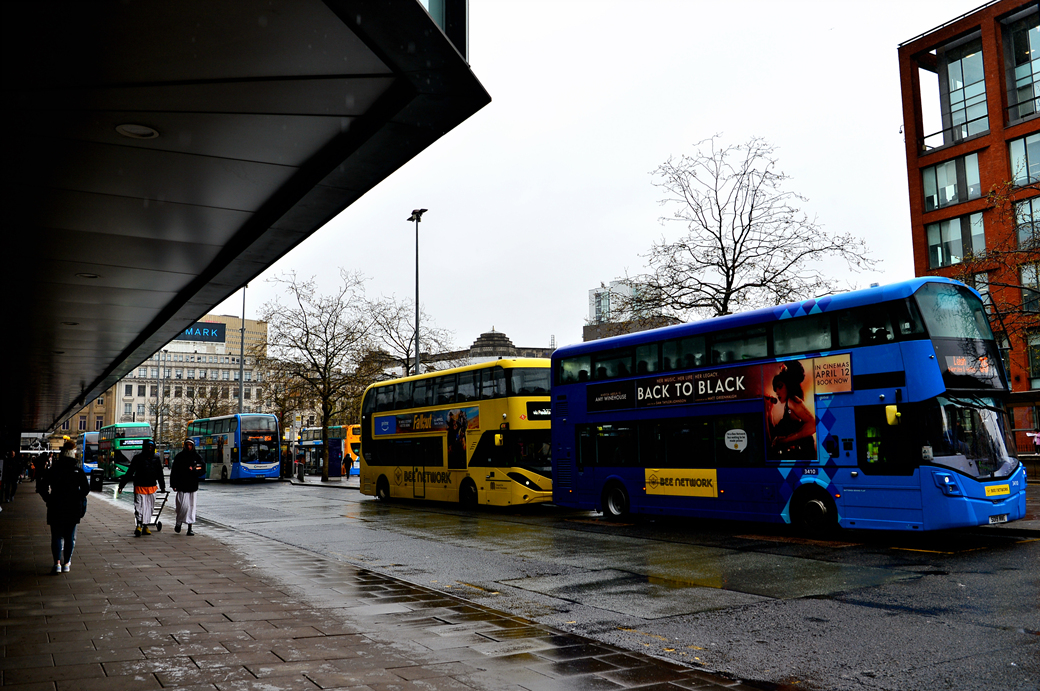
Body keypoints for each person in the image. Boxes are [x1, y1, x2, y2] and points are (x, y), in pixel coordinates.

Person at [37, 440, 90, 573]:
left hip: (56, 505)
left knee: (56, 536)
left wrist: (48, 499)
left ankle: (57, 563)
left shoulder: (53, 470)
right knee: (69, 536)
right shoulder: (78, 471)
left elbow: (42, 487)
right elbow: (86, 489)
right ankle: (66, 563)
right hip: (73, 507)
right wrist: (77, 497)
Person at [766, 361, 816, 460]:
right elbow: (774, 435)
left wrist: (786, 440)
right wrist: (769, 412)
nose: (777, 392)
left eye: (780, 386)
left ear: (789, 385)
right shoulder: (788, 405)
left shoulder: (792, 401)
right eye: (776, 388)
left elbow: (813, 425)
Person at [118, 440, 166, 537]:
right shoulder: (138, 458)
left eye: (151, 447)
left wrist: (162, 487)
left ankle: (145, 526)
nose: (150, 448)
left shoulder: (156, 458)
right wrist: (121, 485)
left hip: (151, 487)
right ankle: (139, 525)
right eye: (148, 446)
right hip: (139, 486)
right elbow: (130, 472)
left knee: (149, 508)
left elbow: (160, 474)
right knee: (139, 507)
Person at [170, 439, 204, 535]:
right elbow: (174, 471)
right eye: (187, 445)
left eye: (190, 445)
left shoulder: (197, 457)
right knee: (182, 507)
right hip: (181, 486)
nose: (189, 447)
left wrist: (194, 470)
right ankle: (179, 521)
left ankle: (190, 527)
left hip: (192, 486)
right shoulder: (179, 457)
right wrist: (173, 484)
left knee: (191, 507)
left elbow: (201, 468)